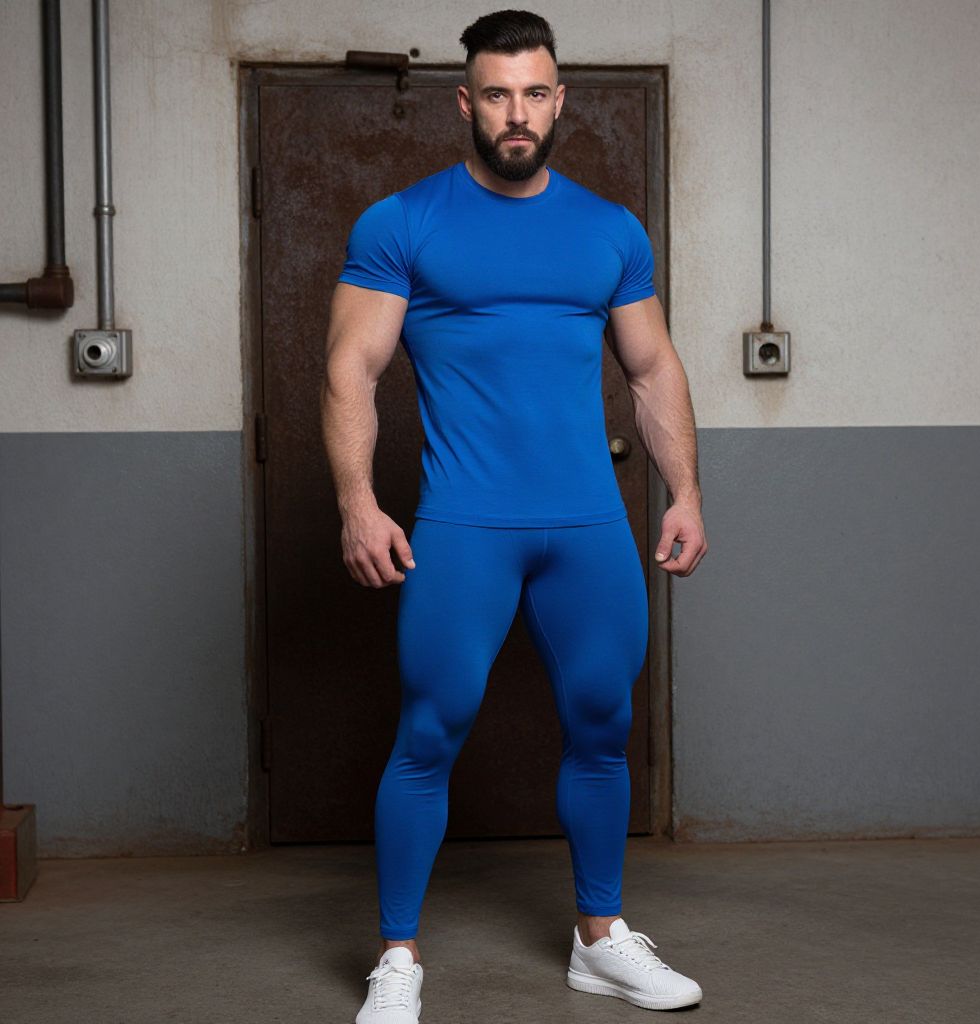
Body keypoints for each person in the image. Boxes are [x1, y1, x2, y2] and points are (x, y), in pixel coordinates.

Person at [321, 10, 707, 1022]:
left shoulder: (610, 229)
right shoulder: (402, 223)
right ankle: (397, 958)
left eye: (535, 92)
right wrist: (358, 504)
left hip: (588, 525)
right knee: (431, 729)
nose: (518, 113)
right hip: (466, 526)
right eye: (497, 94)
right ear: (467, 103)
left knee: (603, 723)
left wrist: (685, 493)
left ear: (559, 99)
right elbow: (351, 370)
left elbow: (652, 369)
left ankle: (599, 940)